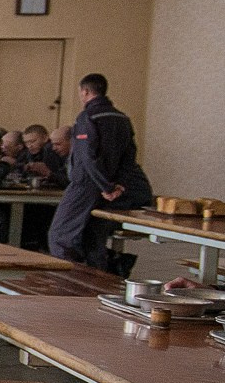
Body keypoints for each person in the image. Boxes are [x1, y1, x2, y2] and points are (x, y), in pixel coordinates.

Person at [48, 75, 156, 272]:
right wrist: (119, 184)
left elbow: (87, 157)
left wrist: (105, 186)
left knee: (60, 237)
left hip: (87, 185)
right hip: (115, 187)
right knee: (93, 237)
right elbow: (130, 154)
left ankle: (67, 285)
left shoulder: (87, 118)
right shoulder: (122, 118)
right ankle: (99, 284)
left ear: (86, 92)